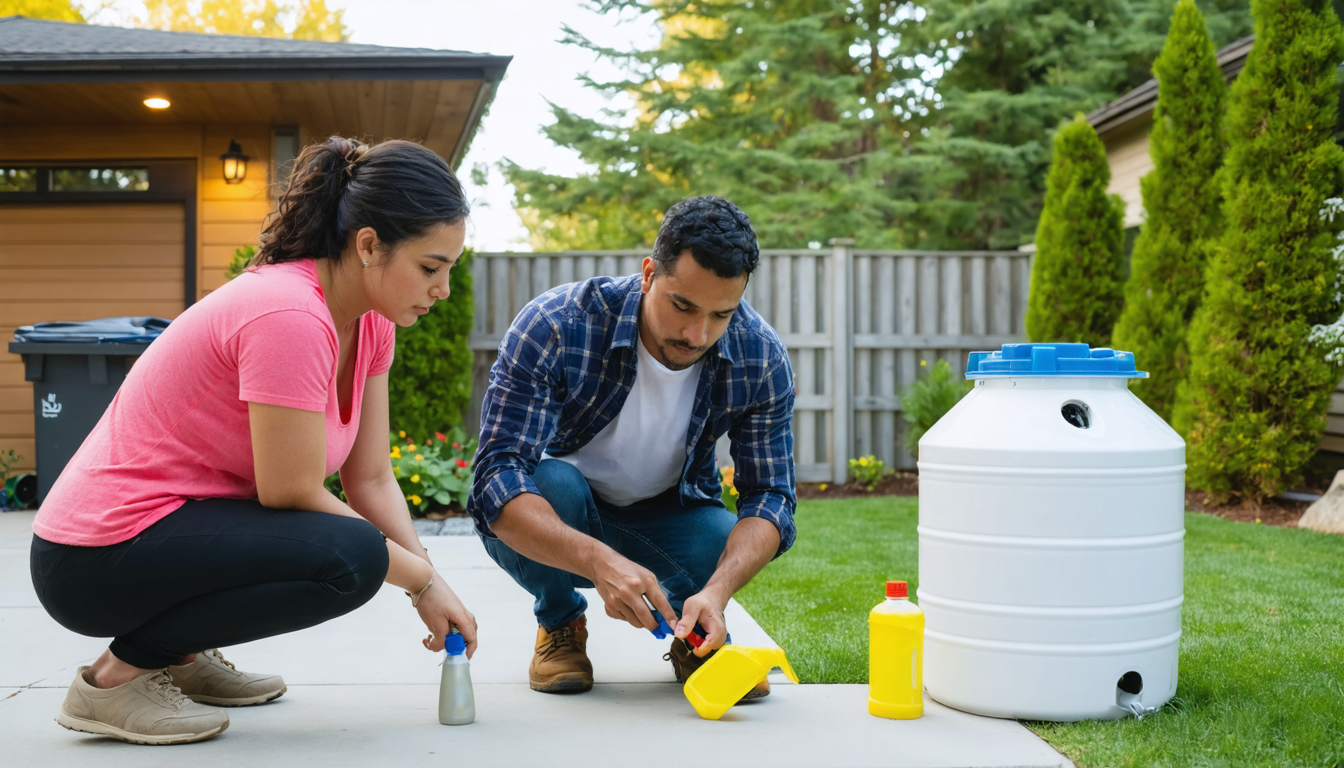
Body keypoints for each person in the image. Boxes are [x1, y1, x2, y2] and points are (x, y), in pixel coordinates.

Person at [28, 137, 478, 746]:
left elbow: (369, 477)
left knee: (359, 549)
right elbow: (291, 492)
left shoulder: (370, 325)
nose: (443, 289)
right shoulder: (287, 314)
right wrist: (417, 582)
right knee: (353, 558)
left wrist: (432, 577)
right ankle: (114, 680)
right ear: (369, 245)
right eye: (431, 268)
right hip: (92, 556)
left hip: (164, 535)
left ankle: (179, 654)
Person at [469, 195, 795, 696]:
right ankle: (560, 625)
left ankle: (697, 632)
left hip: (666, 514)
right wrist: (599, 561)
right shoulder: (557, 324)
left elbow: (771, 498)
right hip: (564, 512)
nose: (697, 333)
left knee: (719, 536)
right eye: (682, 305)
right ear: (648, 274)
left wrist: (718, 590)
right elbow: (495, 478)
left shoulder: (760, 354)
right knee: (551, 483)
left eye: (720, 314)